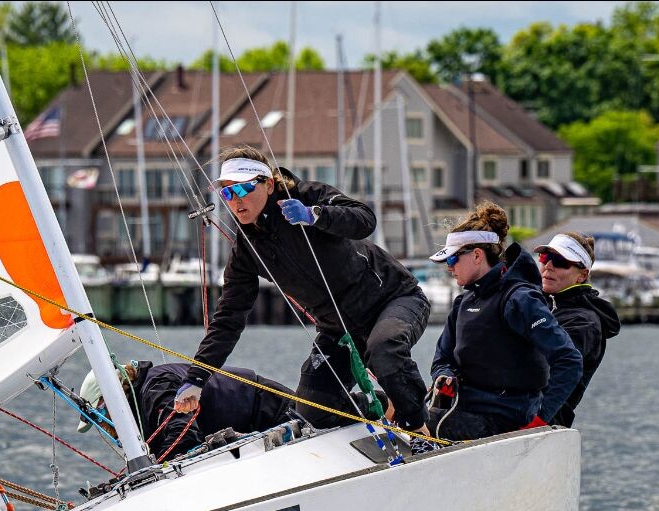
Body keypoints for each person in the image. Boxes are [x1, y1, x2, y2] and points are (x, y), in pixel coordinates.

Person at [174, 145, 431, 437]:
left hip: (394, 299)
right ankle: (384, 407)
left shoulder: (306, 196)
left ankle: (421, 432)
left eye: (243, 189)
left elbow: (365, 220)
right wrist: (197, 378)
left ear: (268, 184)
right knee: (312, 413)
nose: (236, 200)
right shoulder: (246, 252)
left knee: (384, 350)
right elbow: (228, 320)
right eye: (227, 193)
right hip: (339, 330)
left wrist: (315, 215)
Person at [427, 202, 583, 441]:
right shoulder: (462, 303)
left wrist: (540, 421)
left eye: (452, 260)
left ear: (477, 255)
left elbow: (569, 360)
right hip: (463, 408)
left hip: (505, 419)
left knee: (412, 420)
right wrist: (444, 375)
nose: (450, 268)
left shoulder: (520, 299)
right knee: (389, 406)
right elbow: (441, 358)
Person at [76, 360, 295, 459]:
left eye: (100, 416)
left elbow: (183, 434)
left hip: (274, 412)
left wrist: (153, 476)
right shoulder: (143, 406)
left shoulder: (156, 387)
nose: (103, 427)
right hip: (258, 423)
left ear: (113, 398)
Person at [535, 232, 621, 427]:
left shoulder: (584, 323)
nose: (548, 266)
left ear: (582, 275)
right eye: (545, 257)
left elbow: (548, 372)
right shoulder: (538, 305)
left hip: (541, 422)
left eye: (560, 261)